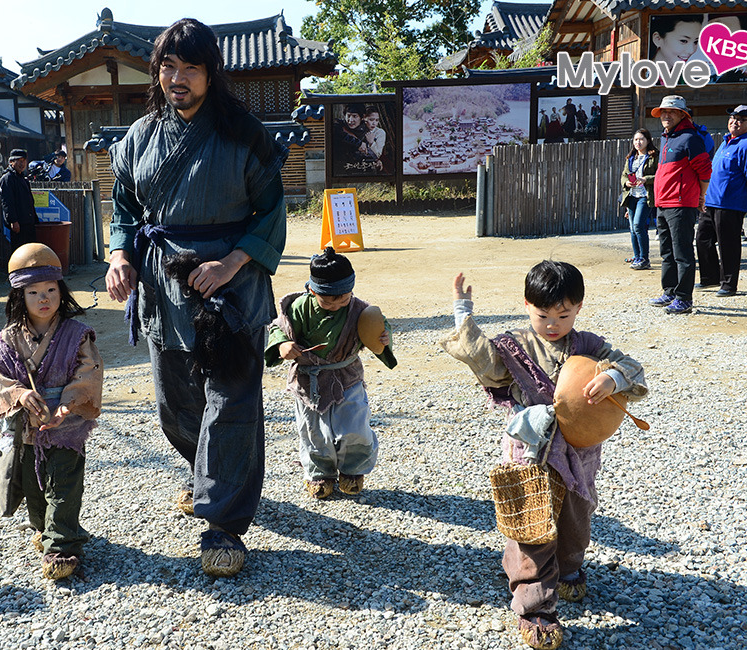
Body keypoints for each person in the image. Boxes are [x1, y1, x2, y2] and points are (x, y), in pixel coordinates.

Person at [104, 18, 288, 578]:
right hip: (166, 287)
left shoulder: (244, 134)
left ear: (211, 74)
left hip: (229, 288)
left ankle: (224, 523)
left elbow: (271, 212)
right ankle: (207, 472)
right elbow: (125, 212)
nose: (177, 78)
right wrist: (119, 256)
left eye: (190, 68)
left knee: (231, 404)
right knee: (176, 405)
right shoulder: (138, 138)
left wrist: (232, 261)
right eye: (168, 67)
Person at [441, 261, 647, 650]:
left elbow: (633, 369)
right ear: (526, 305)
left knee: (575, 516)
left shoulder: (588, 346)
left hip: (578, 452)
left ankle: (567, 569)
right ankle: (535, 607)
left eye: (563, 315)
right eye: (542, 315)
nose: (552, 323)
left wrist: (611, 377)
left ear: (579, 308)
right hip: (530, 451)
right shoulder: (514, 345)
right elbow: (480, 357)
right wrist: (462, 312)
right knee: (533, 523)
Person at [0, 243, 103, 580]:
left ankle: (63, 547)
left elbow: (89, 370)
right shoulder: (8, 340)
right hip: (27, 427)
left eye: (51, 290)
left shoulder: (77, 334)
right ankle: (44, 528)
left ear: (61, 291)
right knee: (34, 488)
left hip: (67, 424)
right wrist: (20, 394)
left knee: (63, 484)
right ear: (19, 297)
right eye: (33, 292)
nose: (44, 298)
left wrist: (70, 401)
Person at [266, 247, 396, 499]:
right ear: (312, 291)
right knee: (313, 430)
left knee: (355, 426)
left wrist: (383, 336)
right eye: (327, 300)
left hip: (346, 376)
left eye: (343, 299)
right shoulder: (298, 308)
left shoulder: (359, 309)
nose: (336, 305)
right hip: (308, 379)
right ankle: (319, 474)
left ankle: (352, 470)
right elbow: (278, 328)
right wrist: (282, 345)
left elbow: (379, 328)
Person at [648, 95, 711, 315]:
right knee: (666, 252)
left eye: (671, 112)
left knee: (682, 253)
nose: (665, 115)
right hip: (663, 203)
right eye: (663, 112)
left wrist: (701, 197)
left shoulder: (690, 138)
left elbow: (705, 171)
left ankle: (684, 298)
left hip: (681, 204)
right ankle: (670, 291)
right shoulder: (667, 137)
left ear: (682, 114)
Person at [697, 105, 747, 297]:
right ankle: (710, 277)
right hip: (712, 201)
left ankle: (728, 284)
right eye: (733, 118)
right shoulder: (726, 141)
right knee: (702, 238)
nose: (735, 121)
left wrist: (746, 197)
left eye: (741, 119)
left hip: (730, 203)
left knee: (729, 245)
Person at [619, 128, 657, 270]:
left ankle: (644, 259)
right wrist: (626, 182)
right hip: (631, 195)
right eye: (636, 139)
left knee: (638, 226)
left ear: (648, 140)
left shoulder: (654, 156)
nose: (638, 142)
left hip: (645, 196)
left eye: (641, 139)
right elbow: (624, 175)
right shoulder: (631, 158)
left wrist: (645, 179)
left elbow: (660, 175)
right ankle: (637, 256)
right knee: (632, 228)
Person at [0, 149, 39, 253]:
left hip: (28, 221)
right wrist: (13, 221)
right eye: (19, 161)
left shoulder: (22, 178)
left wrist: (35, 220)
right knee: (20, 252)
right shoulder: (7, 178)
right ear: (11, 162)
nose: (22, 164)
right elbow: (7, 202)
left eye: (24, 161)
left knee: (31, 251)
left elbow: (30, 201)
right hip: (19, 223)